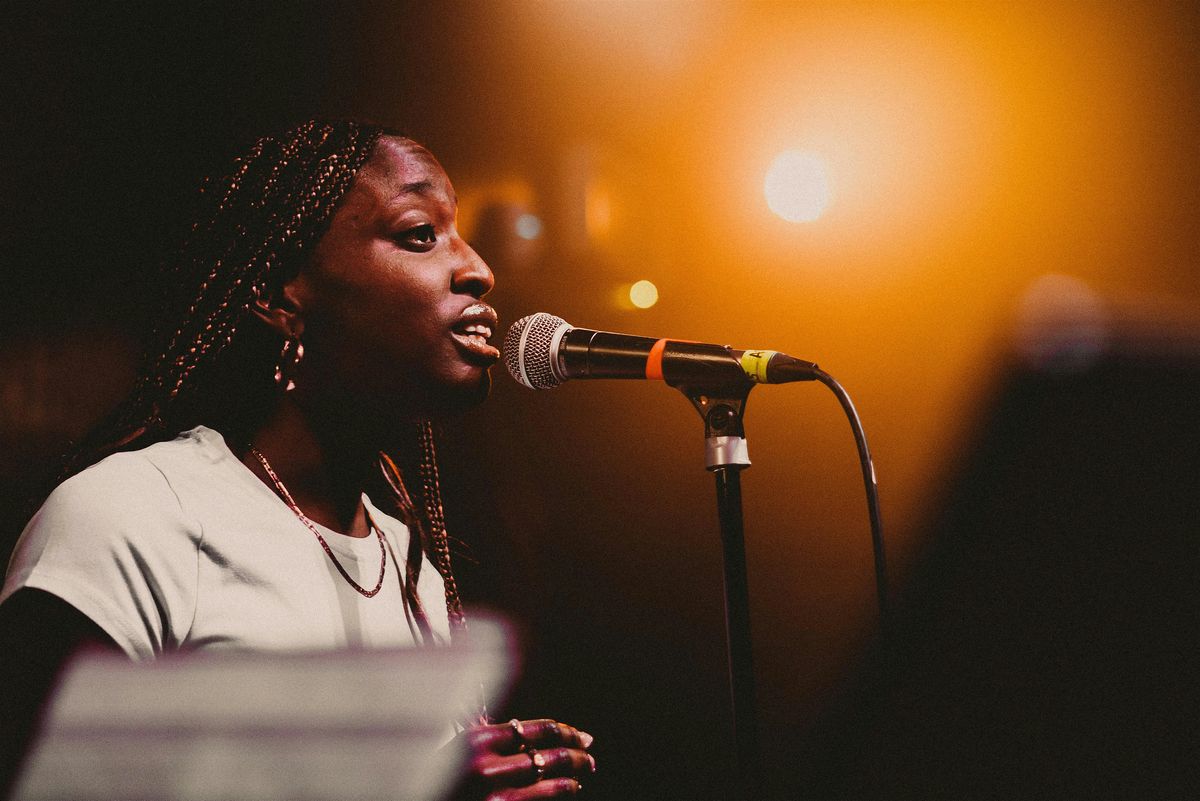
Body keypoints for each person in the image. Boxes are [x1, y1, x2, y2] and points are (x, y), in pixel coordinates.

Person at [0, 120, 595, 799]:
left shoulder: (413, 571)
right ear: (280, 295)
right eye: (419, 234)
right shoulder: (133, 514)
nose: (479, 270)